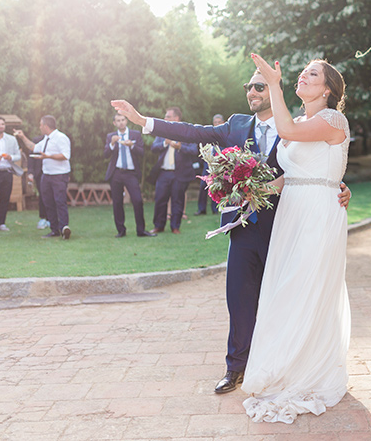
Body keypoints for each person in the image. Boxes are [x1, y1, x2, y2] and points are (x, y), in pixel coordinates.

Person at [111, 69, 351, 396]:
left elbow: (317, 163)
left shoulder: (295, 123)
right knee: (238, 298)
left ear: (273, 90)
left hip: (290, 225)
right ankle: (235, 367)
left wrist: (335, 185)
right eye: (248, 86)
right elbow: (192, 132)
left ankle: (285, 364)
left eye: (258, 86)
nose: (251, 91)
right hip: (244, 226)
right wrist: (142, 120)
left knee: (286, 300)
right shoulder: (236, 125)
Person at [240, 54, 351, 423]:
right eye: (303, 72)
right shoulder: (302, 120)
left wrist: (274, 84)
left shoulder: (332, 119)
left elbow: (285, 132)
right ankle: (286, 364)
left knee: (302, 288)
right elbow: (292, 173)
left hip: (318, 213)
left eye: (312, 74)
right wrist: (253, 191)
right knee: (284, 289)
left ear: (328, 89)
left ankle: (308, 371)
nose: (304, 76)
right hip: (292, 211)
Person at [14, 115, 72, 240]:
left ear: (46, 126)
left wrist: (48, 157)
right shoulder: (46, 139)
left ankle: (64, 228)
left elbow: (65, 155)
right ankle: (54, 230)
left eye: (41, 125)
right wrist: (22, 136)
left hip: (59, 175)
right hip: (46, 175)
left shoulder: (61, 138)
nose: (39, 127)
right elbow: (34, 148)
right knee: (48, 202)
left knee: (59, 201)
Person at [148, 107, 198, 235]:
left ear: (176, 118)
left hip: (180, 173)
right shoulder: (162, 132)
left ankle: (175, 226)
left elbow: (194, 150)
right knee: (160, 199)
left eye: (167, 116)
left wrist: (180, 146)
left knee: (177, 200)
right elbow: (153, 147)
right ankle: (159, 226)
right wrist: (165, 143)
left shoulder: (186, 132)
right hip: (164, 173)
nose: (165, 119)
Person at [104, 114, 155, 238]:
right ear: (114, 123)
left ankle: (141, 230)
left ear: (126, 121)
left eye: (123, 120)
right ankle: (121, 231)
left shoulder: (135, 134)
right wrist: (111, 144)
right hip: (116, 172)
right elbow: (105, 154)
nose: (121, 122)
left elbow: (142, 152)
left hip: (131, 173)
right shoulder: (111, 136)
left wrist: (132, 145)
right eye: (118, 121)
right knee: (117, 203)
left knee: (137, 200)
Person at [194, 114, 224, 216]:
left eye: (219, 122)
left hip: (220, 166)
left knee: (216, 187)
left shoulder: (225, 136)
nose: (217, 124)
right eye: (215, 122)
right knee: (203, 186)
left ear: (223, 123)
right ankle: (201, 209)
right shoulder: (209, 135)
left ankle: (215, 209)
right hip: (207, 166)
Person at [26, 135, 50, 230]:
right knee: (43, 196)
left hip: (54, 172)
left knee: (54, 196)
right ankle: (43, 218)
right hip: (40, 173)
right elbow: (31, 157)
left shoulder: (58, 139)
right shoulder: (37, 140)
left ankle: (53, 219)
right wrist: (30, 172)